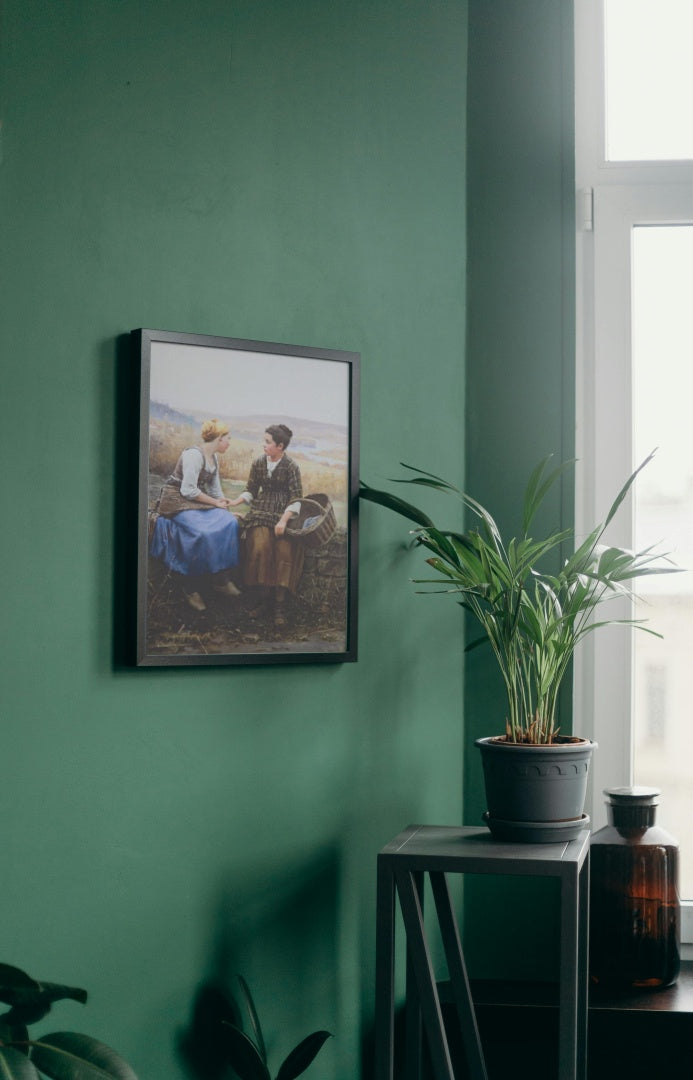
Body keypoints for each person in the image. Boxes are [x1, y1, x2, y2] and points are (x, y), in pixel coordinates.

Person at [150, 419, 241, 612]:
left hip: (196, 501)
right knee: (201, 532)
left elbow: (215, 490)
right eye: (227, 439)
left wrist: (224, 506)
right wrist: (215, 503)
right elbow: (188, 490)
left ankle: (220, 579)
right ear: (218, 438)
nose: (229, 443)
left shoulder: (214, 458)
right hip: (176, 501)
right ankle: (189, 587)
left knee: (230, 523)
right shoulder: (193, 455)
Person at [228, 423, 303, 626]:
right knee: (261, 548)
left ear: (280, 446)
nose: (264, 445)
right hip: (261, 513)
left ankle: (279, 605)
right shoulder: (259, 463)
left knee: (284, 551)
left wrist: (283, 520)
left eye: (268, 442)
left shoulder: (292, 467)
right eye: (264, 441)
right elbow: (251, 489)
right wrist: (236, 501)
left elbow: (297, 498)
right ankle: (263, 600)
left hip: (283, 514)